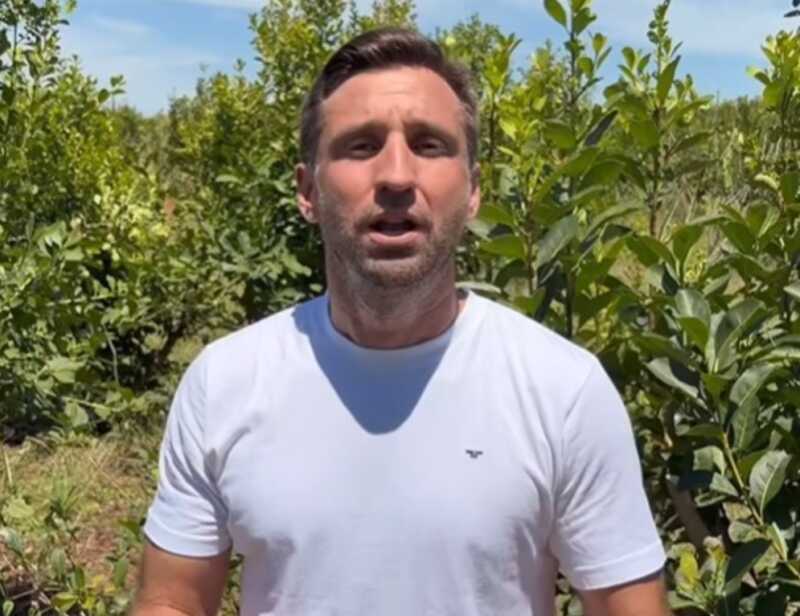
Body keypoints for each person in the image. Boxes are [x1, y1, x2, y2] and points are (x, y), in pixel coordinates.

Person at [132, 27, 671, 616]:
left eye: (429, 145)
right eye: (361, 146)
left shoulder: (563, 390)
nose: (395, 176)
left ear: (473, 190)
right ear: (308, 191)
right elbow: (172, 602)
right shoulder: (224, 382)